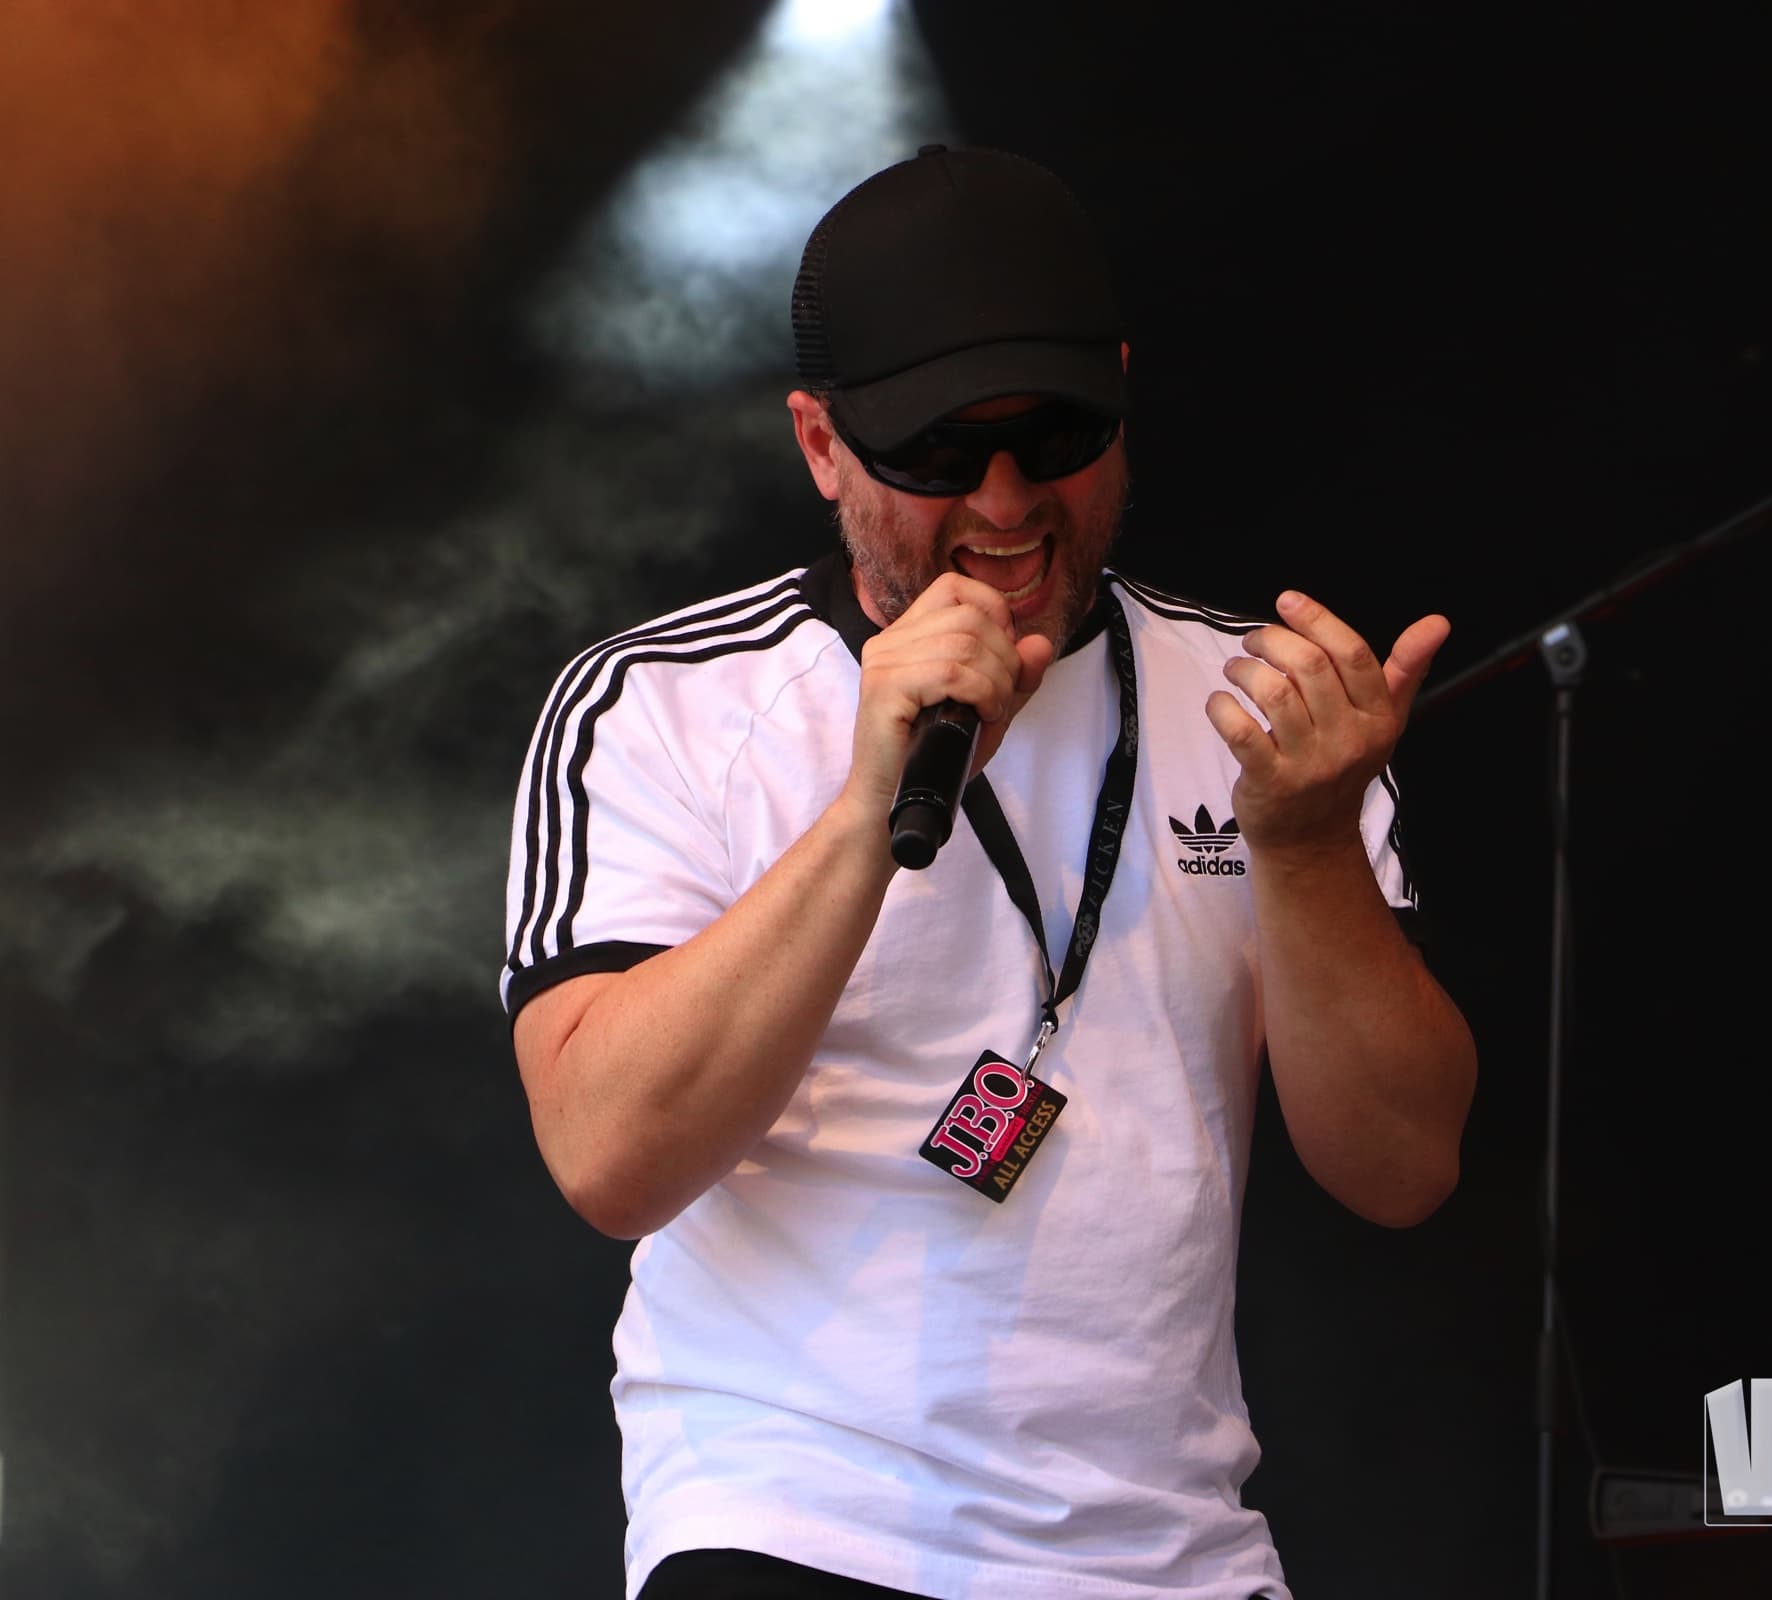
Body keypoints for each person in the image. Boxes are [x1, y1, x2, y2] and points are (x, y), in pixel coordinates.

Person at [499, 144, 1476, 1600]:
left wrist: (1305, 842)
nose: (1008, 503)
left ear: (1122, 399)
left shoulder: (1263, 712)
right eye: (939, 454)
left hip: (1174, 1552)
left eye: (1056, 435)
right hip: (793, 1518)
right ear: (821, 445)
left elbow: (1401, 1169)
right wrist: (868, 811)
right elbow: (608, 1159)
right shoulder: (666, 702)